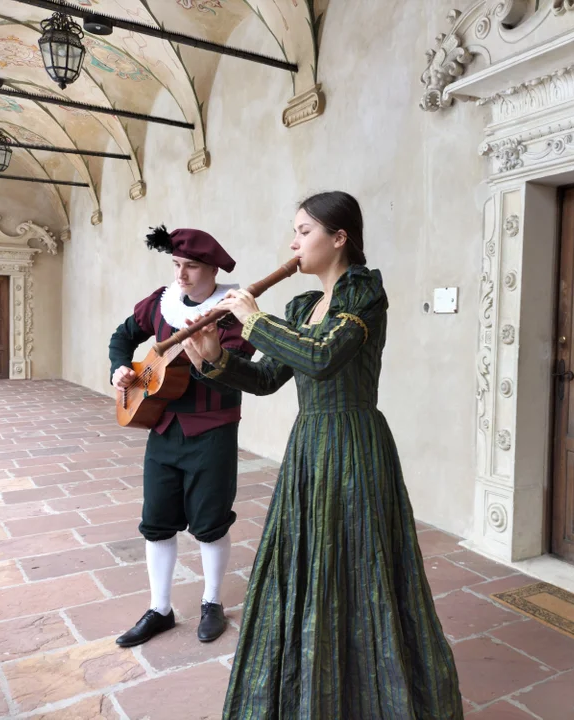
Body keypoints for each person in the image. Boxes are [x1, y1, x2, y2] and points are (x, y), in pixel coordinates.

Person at [180, 192, 464, 719]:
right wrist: (216, 359)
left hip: (355, 444)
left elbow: (325, 357)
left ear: (340, 238)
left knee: (363, 570)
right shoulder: (301, 306)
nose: (293, 242)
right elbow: (267, 378)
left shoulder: (363, 293)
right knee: (308, 569)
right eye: (294, 231)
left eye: (304, 231)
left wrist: (252, 319)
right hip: (310, 447)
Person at [107, 225, 255, 647]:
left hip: (212, 431)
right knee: (156, 522)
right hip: (163, 427)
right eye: (176, 265)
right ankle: (160, 608)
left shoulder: (232, 311)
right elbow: (123, 336)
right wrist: (121, 368)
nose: (182, 275)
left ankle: (211, 602)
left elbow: (236, 373)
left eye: (191, 266)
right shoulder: (162, 303)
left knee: (210, 523)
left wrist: (208, 356)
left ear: (212, 269)